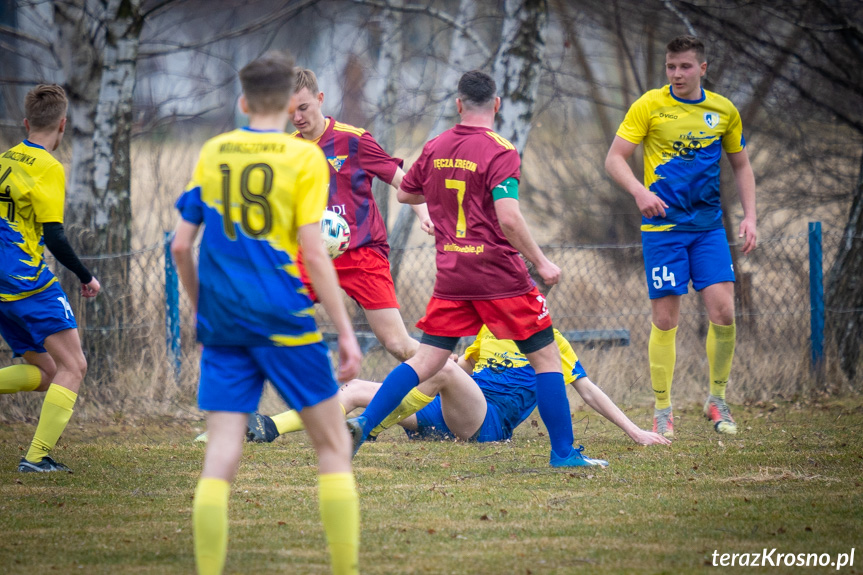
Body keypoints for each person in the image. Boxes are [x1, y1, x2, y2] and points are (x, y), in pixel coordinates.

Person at [171, 51, 362, 575]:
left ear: (243, 100)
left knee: (222, 455)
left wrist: (200, 311)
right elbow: (315, 253)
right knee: (332, 444)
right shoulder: (305, 159)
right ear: (286, 103)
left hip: (225, 322)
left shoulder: (214, 152)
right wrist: (345, 333)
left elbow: (182, 247)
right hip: (284, 318)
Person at [347, 69, 598, 468]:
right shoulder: (501, 150)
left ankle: (364, 421)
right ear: (496, 105)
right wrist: (541, 261)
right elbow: (510, 218)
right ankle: (564, 454)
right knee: (547, 361)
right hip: (499, 275)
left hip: (453, 273)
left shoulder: (435, 146)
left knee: (426, 361)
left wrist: (442, 192)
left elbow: (408, 191)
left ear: (458, 104)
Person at [604, 35, 757, 438]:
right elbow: (614, 158)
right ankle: (662, 409)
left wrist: (750, 217)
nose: (677, 74)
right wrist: (640, 192)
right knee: (665, 320)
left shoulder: (722, 110)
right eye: (671, 66)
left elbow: (741, 166)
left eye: (685, 67)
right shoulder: (650, 105)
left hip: (708, 229)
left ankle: (717, 400)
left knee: (723, 312)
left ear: (702, 68)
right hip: (663, 232)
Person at [240, 326, 672, 453]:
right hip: (441, 414)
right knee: (353, 387)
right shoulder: (488, 329)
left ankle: (366, 429)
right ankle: (271, 427)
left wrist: (634, 431)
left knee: (443, 369)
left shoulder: (550, 341)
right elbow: (452, 373)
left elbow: (589, 392)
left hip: (485, 424)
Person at [289, 68, 432, 362]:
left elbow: (401, 180)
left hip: (361, 252)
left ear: (320, 99)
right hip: (310, 253)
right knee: (277, 327)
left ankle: (460, 379)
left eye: (303, 108)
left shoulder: (353, 140)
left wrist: (424, 214)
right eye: (290, 111)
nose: (297, 117)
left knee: (398, 344)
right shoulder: (287, 151)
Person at [0, 84, 101, 473]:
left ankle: (38, 456)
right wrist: (85, 275)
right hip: (25, 280)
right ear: (63, 125)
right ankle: (37, 457)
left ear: (26, 123)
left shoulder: (6, 159)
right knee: (74, 366)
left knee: (46, 373)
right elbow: (55, 235)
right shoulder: (47, 167)